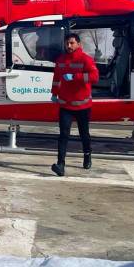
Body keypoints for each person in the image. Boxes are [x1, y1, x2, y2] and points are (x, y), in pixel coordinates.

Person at [50, 32, 99, 176]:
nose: (69, 46)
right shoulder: (61, 60)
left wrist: (76, 77)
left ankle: (87, 155)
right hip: (65, 105)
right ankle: (60, 164)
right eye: (67, 43)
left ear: (78, 44)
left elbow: (95, 77)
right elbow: (56, 78)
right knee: (63, 135)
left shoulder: (86, 59)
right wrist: (54, 93)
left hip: (82, 106)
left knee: (84, 134)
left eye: (72, 43)